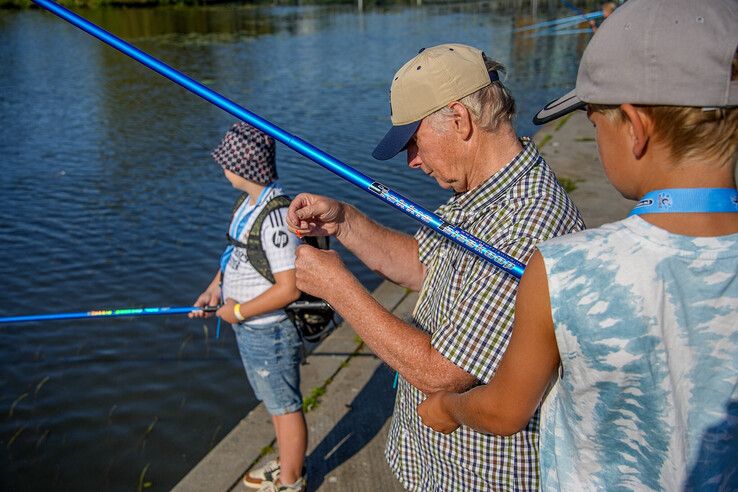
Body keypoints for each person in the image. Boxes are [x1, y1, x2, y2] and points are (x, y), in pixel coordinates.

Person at [417, 1, 738, 489]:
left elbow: (504, 410)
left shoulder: (565, 269)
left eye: (593, 123)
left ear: (635, 126)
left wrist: (448, 406)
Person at [287, 44, 584, 490]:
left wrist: (338, 290)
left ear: (460, 120)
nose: (412, 160)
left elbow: (442, 372)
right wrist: (346, 221)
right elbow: (425, 265)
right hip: (434, 465)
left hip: (479, 477)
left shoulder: (527, 224)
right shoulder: (482, 195)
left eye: (414, 142)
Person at [190, 122, 307, 492]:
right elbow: (237, 256)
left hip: (269, 330)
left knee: (285, 407)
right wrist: (214, 291)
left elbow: (289, 289)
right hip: (251, 328)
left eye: (226, 161)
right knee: (273, 403)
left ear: (243, 167)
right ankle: (287, 465)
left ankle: (291, 481)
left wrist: (238, 312)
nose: (222, 168)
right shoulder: (248, 205)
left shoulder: (275, 218)